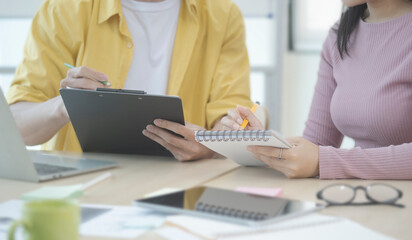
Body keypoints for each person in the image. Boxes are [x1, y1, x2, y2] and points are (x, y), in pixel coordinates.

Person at [6, 0, 253, 161]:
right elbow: (17, 129)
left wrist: (211, 146)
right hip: (81, 193)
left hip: (182, 188)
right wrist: (64, 105)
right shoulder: (64, 10)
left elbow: (232, 119)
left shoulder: (223, 15)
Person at [222, 0, 412, 179]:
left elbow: (320, 158)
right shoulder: (340, 34)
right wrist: (265, 145)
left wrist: (325, 161)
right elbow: (316, 145)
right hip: (358, 201)